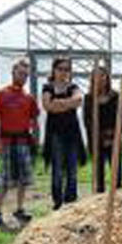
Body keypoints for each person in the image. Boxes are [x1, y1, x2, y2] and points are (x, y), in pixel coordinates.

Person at [0, 58, 40, 227]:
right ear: (13, 73)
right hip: (7, 141)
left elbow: (34, 121)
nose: (23, 77)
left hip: (24, 141)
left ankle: (19, 209)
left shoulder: (29, 98)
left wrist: (36, 140)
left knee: (24, 178)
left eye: (26, 74)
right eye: (20, 73)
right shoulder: (1, 94)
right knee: (4, 178)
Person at [42, 57, 87, 210]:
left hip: (72, 133)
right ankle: (57, 201)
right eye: (60, 68)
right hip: (55, 134)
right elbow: (48, 106)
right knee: (58, 169)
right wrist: (69, 104)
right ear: (54, 70)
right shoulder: (47, 87)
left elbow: (79, 99)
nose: (63, 72)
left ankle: (71, 200)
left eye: (66, 69)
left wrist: (59, 103)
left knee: (72, 169)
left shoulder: (73, 86)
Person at [83, 66, 122, 193]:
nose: (100, 79)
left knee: (116, 170)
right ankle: (99, 197)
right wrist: (98, 137)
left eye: (103, 76)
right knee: (98, 171)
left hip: (113, 137)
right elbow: (87, 120)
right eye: (96, 76)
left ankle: (116, 196)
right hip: (97, 139)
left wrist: (114, 136)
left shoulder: (115, 96)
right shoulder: (89, 98)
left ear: (107, 78)